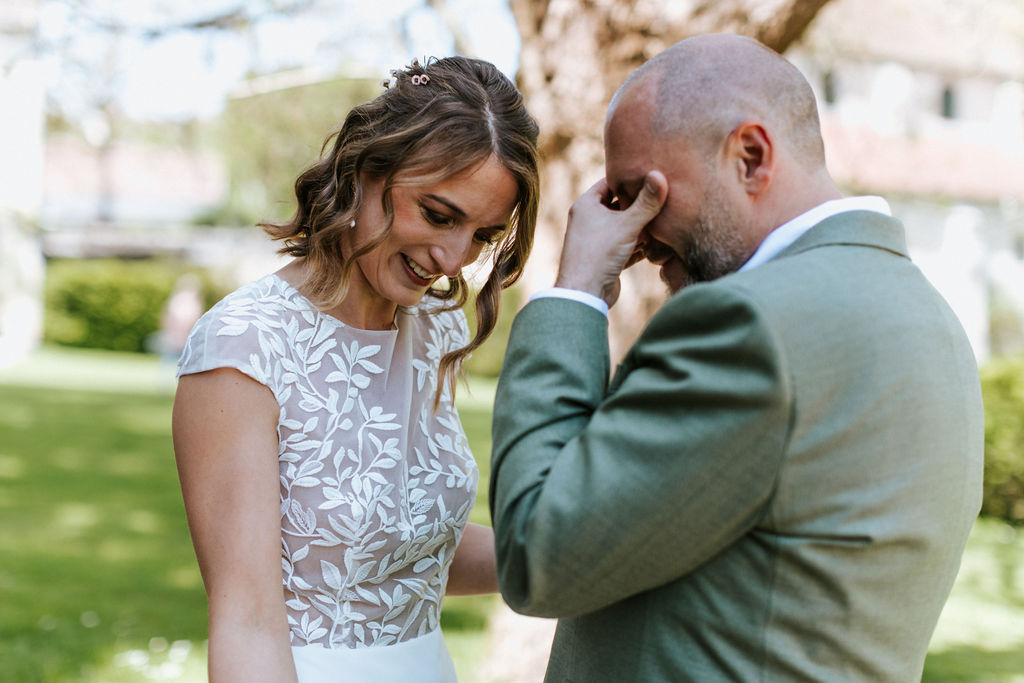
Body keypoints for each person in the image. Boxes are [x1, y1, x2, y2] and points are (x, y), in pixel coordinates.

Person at [489, 33, 983, 681]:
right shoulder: (931, 317)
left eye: (643, 194)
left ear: (750, 157)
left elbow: (536, 550)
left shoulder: (750, 325)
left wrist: (575, 292)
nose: (635, 236)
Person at [173, 55, 538, 683]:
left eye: (482, 235)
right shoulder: (246, 346)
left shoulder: (434, 332)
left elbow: (405, 559)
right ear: (363, 171)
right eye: (439, 214)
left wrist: (584, 550)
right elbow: (247, 622)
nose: (454, 260)